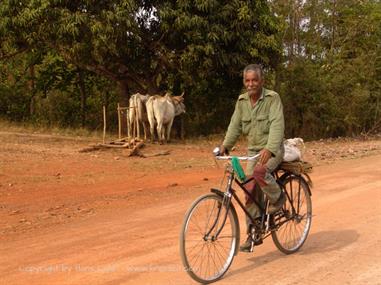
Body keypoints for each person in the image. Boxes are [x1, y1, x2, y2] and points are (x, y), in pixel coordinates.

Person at [219, 64, 285, 252]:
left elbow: (277, 126)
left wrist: (270, 148)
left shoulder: (272, 98)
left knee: (260, 172)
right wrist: (225, 146)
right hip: (253, 152)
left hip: (273, 149)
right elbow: (234, 127)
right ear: (244, 82)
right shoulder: (241, 102)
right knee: (249, 189)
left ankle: (278, 199)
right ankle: (253, 232)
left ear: (261, 81)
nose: (251, 84)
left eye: (254, 80)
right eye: (247, 81)